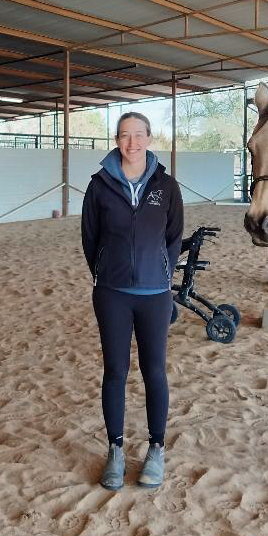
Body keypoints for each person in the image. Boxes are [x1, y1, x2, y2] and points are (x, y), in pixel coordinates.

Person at [81, 112, 184, 491]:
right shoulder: (99, 185)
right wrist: (108, 271)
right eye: (125, 136)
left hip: (155, 296)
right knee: (115, 371)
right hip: (112, 294)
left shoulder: (167, 186)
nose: (131, 143)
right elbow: (89, 237)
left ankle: (156, 448)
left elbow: (174, 236)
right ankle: (116, 450)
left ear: (149, 138)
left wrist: (161, 272)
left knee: (154, 370)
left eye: (138, 135)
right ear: (117, 139)